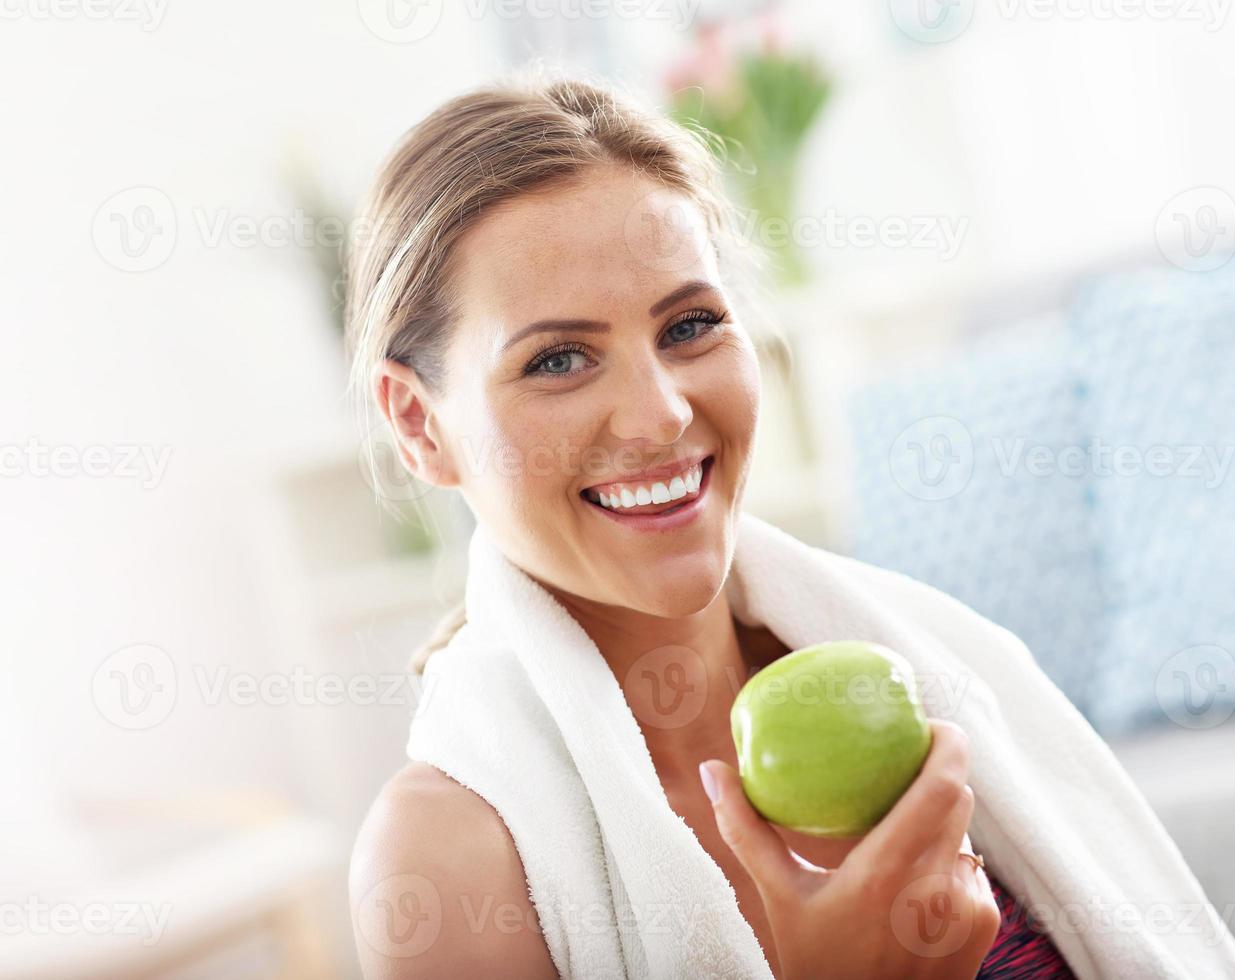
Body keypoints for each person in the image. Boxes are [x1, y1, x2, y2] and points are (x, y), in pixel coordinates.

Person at [344, 72, 1090, 980]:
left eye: (690, 324)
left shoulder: (934, 666)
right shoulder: (447, 866)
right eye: (561, 358)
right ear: (420, 423)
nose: (659, 414)